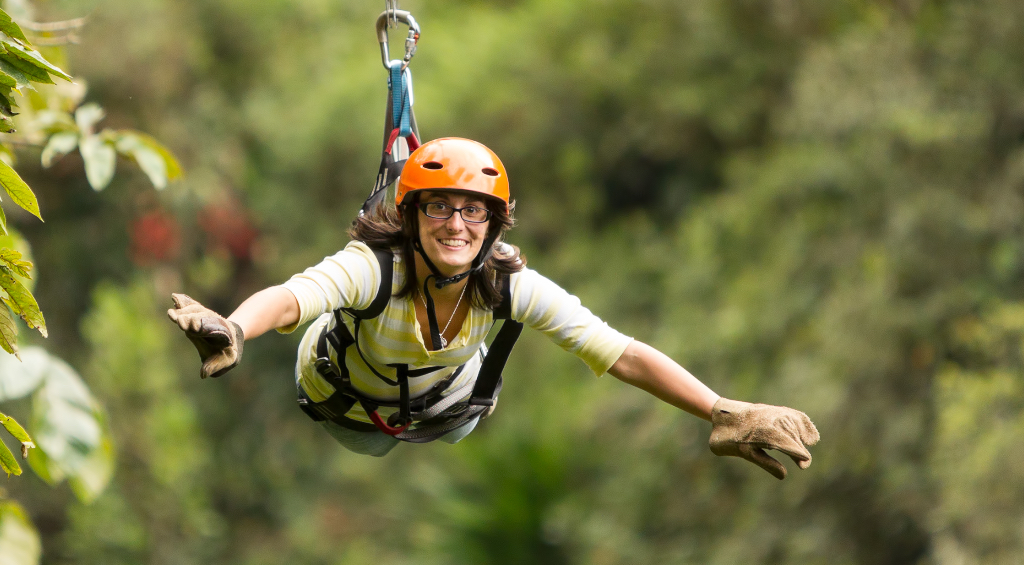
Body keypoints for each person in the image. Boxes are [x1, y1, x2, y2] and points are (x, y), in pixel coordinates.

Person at [166, 138, 821, 476]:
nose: (457, 224)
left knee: (461, 416)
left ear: (494, 222)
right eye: (440, 207)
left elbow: (618, 351)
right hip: (347, 411)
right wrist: (234, 328)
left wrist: (720, 408)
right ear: (413, 214)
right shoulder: (373, 269)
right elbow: (292, 299)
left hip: (450, 411)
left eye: (473, 210)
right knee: (369, 441)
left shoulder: (510, 285)